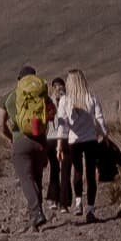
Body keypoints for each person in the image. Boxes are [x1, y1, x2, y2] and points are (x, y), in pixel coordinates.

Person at [0, 65, 52, 231]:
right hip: (40, 141)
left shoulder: (8, 98)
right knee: (37, 178)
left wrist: (11, 138)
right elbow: (50, 115)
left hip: (20, 142)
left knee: (26, 179)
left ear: (19, 80)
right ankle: (36, 217)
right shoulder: (42, 93)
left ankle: (36, 214)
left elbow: (0, 125)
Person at [55, 68, 110, 223]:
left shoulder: (65, 100)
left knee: (77, 171)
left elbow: (62, 125)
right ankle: (91, 208)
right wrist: (105, 135)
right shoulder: (91, 97)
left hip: (74, 141)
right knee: (91, 174)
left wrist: (59, 145)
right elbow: (99, 119)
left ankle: (78, 202)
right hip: (91, 140)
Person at [44, 77, 70, 213]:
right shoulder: (53, 102)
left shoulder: (62, 101)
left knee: (59, 169)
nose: (58, 90)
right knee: (59, 169)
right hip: (58, 138)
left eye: (59, 87)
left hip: (57, 138)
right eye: (56, 87)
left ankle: (58, 200)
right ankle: (59, 201)